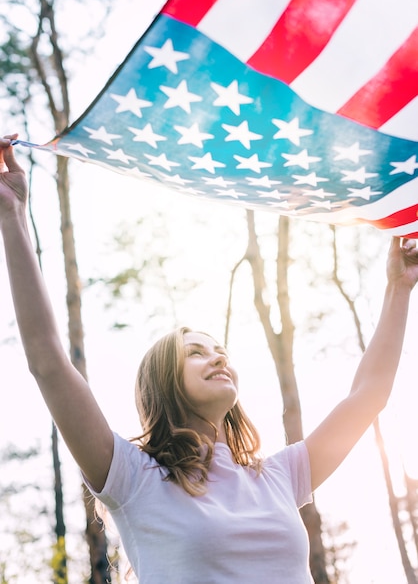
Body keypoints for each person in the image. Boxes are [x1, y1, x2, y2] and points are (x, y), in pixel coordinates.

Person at [1, 133, 418, 584]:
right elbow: (48, 362)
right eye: (196, 353)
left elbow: (367, 396)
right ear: (162, 382)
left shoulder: (278, 477)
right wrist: (11, 213)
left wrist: (399, 289)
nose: (218, 358)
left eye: (220, 350)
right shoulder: (131, 478)